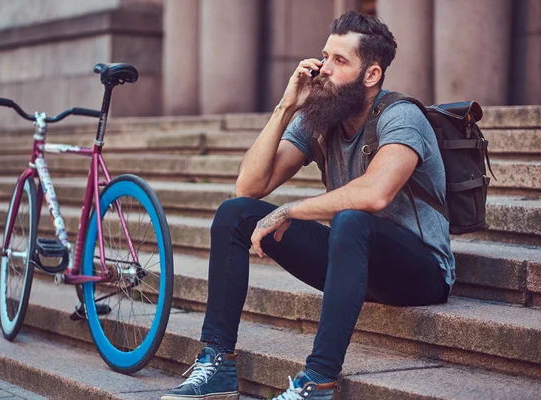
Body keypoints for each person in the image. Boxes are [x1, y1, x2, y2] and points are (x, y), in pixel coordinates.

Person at [161, 10, 453, 400]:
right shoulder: (321, 114)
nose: (323, 69)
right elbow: (248, 186)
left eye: (340, 60)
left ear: (372, 75)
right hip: (354, 260)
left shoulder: (401, 116)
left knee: (352, 220)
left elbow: (375, 194)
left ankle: (318, 381)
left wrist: (291, 210)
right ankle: (218, 364)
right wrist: (286, 106)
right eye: (325, 56)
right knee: (234, 214)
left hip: (421, 271)